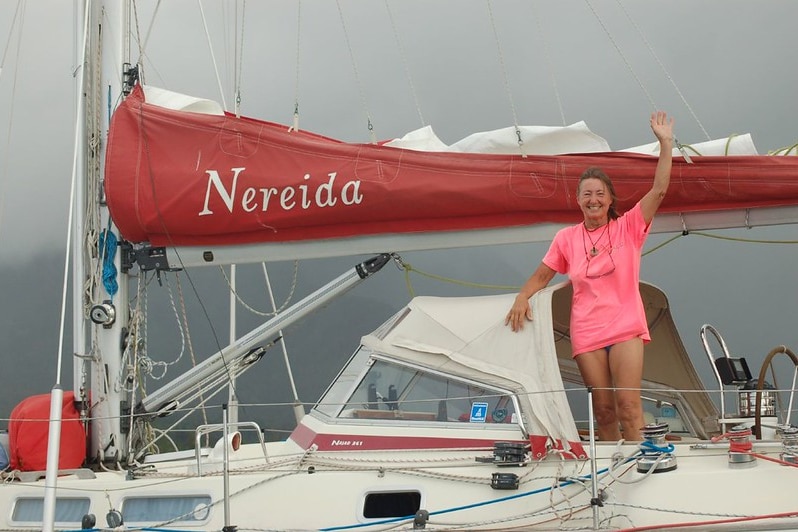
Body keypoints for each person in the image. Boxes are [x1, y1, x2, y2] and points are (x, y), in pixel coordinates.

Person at [505, 111, 674, 442]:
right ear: (579, 200)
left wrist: (665, 143)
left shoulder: (628, 227)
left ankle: (640, 464)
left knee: (628, 406)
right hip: (587, 331)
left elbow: (659, 190)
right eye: (587, 194)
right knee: (603, 411)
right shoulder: (566, 238)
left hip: (625, 326)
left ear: (610, 198)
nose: (593, 199)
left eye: (599, 193)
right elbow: (541, 276)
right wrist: (522, 297)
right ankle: (608, 475)